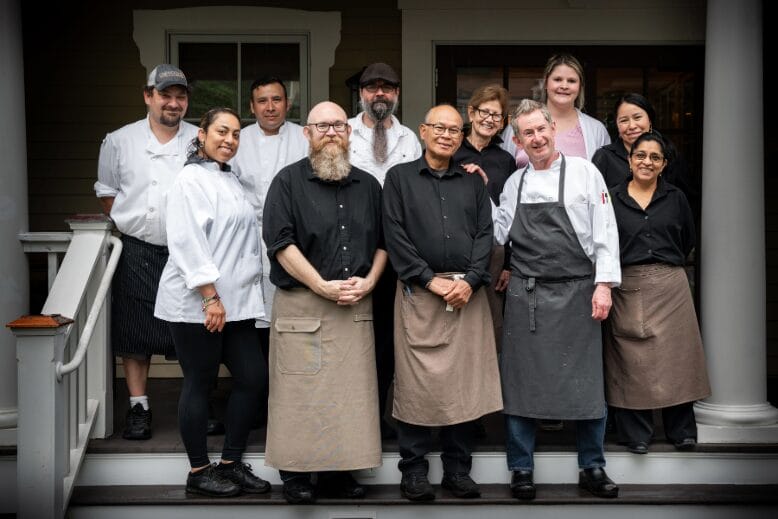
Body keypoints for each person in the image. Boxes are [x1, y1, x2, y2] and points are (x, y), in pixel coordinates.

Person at [492, 99, 621, 500]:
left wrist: (604, 285)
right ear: (517, 140)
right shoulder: (515, 184)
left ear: (553, 129)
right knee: (520, 384)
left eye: (541, 129)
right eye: (527, 133)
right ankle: (521, 468)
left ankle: (592, 465)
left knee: (586, 383)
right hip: (526, 295)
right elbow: (499, 235)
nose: (536, 138)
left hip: (579, 292)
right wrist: (475, 192)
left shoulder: (586, 172)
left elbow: (606, 231)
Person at [262, 101, 386, 504]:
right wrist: (321, 285)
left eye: (338, 125)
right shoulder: (286, 182)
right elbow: (280, 244)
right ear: (307, 133)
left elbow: (385, 244)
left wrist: (369, 282)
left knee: (350, 396)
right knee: (299, 394)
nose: (331, 132)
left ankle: (338, 472)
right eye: (322, 126)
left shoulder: (369, 185)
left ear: (349, 133)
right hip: (303, 304)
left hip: (354, 303)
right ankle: (296, 474)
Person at [383, 104, 503, 502]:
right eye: (440, 128)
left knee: (465, 385)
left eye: (455, 130)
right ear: (423, 131)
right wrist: (430, 279)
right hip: (421, 293)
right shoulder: (398, 179)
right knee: (417, 384)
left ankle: (457, 469)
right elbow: (394, 236)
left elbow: (485, 235)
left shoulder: (472, 183)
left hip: (468, 295)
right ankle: (413, 471)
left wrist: (470, 280)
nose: (448, 135)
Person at [154, 107, 270, 497]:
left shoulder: (228, 178)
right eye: (222, 131)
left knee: (254, 378)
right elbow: (186, 240)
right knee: (200, 383)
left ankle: (231, 462)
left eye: (237, 134)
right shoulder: (189, 179)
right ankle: (199, 471)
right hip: (200, 305)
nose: (230, 140)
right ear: (201, 134)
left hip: (236, 303)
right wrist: (210, 297)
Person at [94, 64, 198, 440]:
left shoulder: (200, 139)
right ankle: (139, 407)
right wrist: (135, 224)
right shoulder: (119, 141)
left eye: (180, 96)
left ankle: (196, 405)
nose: (173, 103)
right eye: (165, 95)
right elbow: (106, 192)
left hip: (187, 252)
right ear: (148, 96)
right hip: (136, 250)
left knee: (190, 330)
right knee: (135, 333)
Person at [604, 132, 711, 455]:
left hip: (671, 286)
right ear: (629, 159)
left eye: (654, 157)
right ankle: (637, 434)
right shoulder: (611, 197)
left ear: (663, 165)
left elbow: (687, 238)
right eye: (641, 155)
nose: (646, 162)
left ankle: (681, 431)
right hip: (626, 284)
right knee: (630, 362)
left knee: (678, 361)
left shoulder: (676, 197)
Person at [223, 76, 309, 433]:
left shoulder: (303, 137)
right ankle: (256, 403)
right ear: (252, 107)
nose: (270, 107)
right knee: (252, 319)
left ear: (287, 104)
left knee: (287, 319)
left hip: (294, 238)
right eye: (262, 101)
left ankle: (287, 400)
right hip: (249, 240)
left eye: (276, 100)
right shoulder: (239, 140)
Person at [348, 62, 422, 438]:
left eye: (387, 88)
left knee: (392, 339)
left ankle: (388, 413)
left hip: (397, 253)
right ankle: (358, 417)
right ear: (361, 93)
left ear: (396, 94)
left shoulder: (410, 139)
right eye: (372, 87)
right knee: (358, 336)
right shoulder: (342, 133)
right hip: (354, 251)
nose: (380, 94)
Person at [453, 83, 516, 349]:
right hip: (456, 246)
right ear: (471, 112)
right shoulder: (451, 150)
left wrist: (508, 264)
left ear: (504, 122)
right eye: (484, 112)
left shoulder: (505, 159)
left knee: (491, 325)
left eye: (496, 115)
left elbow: (511, 213)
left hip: (493, 250)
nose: (489, 120)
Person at [592, 92, 698, 214]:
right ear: (616, 125)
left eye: (637, 117)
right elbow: (594, 203)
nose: (632, 126)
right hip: (617, 231)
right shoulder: (604, 157)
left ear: (650, 119)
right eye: (624, 120)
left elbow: (688, 201)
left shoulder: (669, 152)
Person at [501, 53, 610, 167]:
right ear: (546, 83)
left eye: (571, 81)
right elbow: (502, 172)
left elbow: (604, 179)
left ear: (580, 86)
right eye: (558, 79)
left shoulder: (596, 130)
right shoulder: (520, 125)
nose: (564, 86)